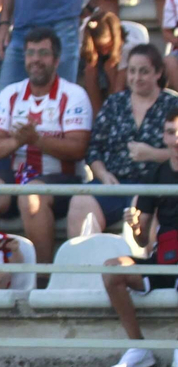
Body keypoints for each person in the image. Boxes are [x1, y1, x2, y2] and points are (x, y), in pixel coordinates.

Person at [0, 27, 92, 271]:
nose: (35, 60)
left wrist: (37, 140)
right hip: (15, 174)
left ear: (56, 59)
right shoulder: (10, 94)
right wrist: (18, 141)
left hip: (63, 180)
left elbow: (78, 149)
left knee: (30, 195)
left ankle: (41, 279)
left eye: (43, 53)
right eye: (30, 53)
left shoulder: (74, 95)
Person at [68, 45, 178, 237]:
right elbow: (94, 148)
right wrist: (102, 174)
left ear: (158, 72)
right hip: (113, 182)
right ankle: (85, 264)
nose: (136, 78)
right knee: (80, 202)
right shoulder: (114, 103)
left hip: (151, 186)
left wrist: (153, 154)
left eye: (144, 71)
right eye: (132, 71)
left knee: (146, 217)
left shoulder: (172, 105)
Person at [102, 105, 178, 367]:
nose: (176, 138)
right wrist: (135, 226)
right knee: (112, 270)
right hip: (162, 260)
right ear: (164, 136)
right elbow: (143, 237)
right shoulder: (155, 174)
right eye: (171, 132)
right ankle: (138, 348)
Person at [0, 0, 123, 91]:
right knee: (6, 103)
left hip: (60, 29)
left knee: (61, 102)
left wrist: (91, 6)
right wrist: (4, 22)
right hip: (21, 29)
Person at [78, 8, 127, 115]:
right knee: (89, 70)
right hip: (97, 61)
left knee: (110, 68)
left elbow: (119, 87)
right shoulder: (84, 35)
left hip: (121, 65)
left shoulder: (128, 45)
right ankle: (98, 117)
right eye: (99, 47)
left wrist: (111, 71)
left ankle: (114, 114)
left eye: (106, 46)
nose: (104, 51)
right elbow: (88, 60)